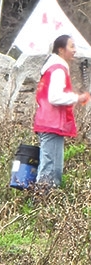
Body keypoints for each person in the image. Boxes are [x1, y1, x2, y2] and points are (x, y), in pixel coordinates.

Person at [35, 34, 89, 190]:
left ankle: (42, 198)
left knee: (50, 166)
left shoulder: (51, 67)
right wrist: (77, 98)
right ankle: (43, 199)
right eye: (71, 46)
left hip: (48, 123)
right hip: (51, 124)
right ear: (61, 50)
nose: (74, 50)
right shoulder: (58, 69)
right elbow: (54, 97)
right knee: (51, 170)